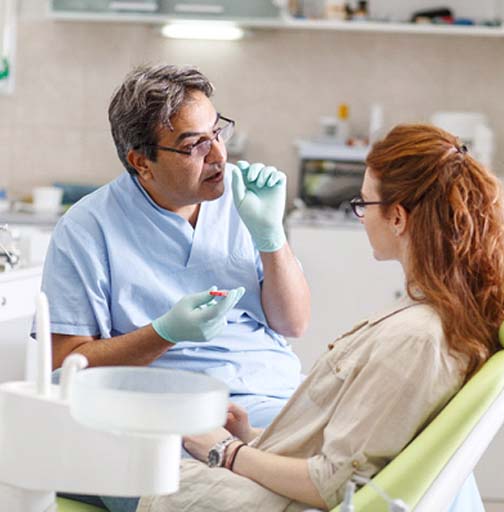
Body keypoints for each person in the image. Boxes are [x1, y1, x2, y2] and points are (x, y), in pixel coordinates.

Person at [134, 124, 504, 512]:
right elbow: (357, 445)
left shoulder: (417, 339)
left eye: (364, 204)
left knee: (114, 469)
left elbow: (329, 483)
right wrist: (253, 438)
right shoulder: (432, 320)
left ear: (398, 217)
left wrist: (225, 450)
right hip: (280, 481)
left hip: (280, 502)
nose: (361, 216)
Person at [39, 64, 310, 511]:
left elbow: (294, 322)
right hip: (163, 415)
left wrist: (271, 238)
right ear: (141, 162)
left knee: (364, 465)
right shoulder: (89, 228)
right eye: (193, 146)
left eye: (218, 132)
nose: (219, 155)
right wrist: (164, 333)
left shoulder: (241, 202)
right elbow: (65, 364)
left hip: (268, 403)